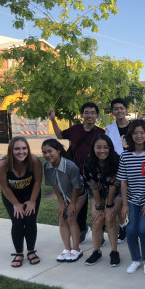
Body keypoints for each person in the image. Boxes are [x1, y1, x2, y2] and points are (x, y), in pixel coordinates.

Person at [48, 103, 105, 244]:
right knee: (79, 205)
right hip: (75, 174)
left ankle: (99, 233)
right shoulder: (75, 129)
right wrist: (53, 120)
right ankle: (82, 229)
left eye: (93, 112)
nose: (89, 115)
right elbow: (60, 135)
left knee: (98, 204)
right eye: (86, 112)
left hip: (93, 175)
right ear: (82, 115)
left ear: (97, 116)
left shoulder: (101, 133)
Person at [117, 120, 145, 274]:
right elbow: (123, 181)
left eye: (142, 133)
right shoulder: (125, 156)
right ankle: (136, 259)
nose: (139, 136)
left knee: (143, 230)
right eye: (135, 133)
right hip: (131, 201)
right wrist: (124, 205)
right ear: (130, 135)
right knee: (131, 231)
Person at [0, 137, 42, 267]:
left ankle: (31, 251)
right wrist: (16, 204)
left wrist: (32, 201)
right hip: (11, 196)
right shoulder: (2, 165)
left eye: (24, 148)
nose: (21, 152)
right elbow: (4, 187)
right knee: (18, 221)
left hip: (30, 194)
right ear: (11, 150)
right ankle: (19, 253)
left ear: (28, 149)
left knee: (30, 220)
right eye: (17, 149)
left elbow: (38, 182)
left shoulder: (34, 161)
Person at [42, 139, 87, 262]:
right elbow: (53, 185)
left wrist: (72, 204)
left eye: (50, 151)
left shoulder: (70, 166)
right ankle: (67, 248)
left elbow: (76, 187)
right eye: (44, 152)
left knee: (71, 217)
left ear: (58, 151)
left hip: (78, 195)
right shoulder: (46, 166)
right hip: (62, 194)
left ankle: (76, 249)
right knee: (62, 217)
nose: (47, 155)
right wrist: (61, 202)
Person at [83, 134, 122, 267]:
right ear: (93, 148)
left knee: (110, 217)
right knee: (97, 219)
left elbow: (113, 185)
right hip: (97, 190)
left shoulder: (117, 160)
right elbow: (93, 186)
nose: (102, 150)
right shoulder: (88, 162)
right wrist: (99, 207)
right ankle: (96, 251)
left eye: (106, 147)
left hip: (115, 191)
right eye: (98, 147)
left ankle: (114, 252)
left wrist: (109, 205)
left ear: (110, 148)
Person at [105, 98, 130, 244]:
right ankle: (123, 227)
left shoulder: (134, 126)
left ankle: (130, 227)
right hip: (115, 170)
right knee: (118, 201)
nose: (119, 111)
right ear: (112, 111)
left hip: (133, 169)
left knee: (132, 202)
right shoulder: (109, 129)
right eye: (116, 108)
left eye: (121, 108)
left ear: (126, 110)